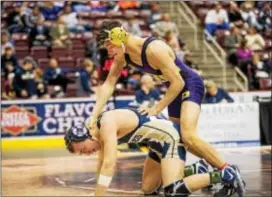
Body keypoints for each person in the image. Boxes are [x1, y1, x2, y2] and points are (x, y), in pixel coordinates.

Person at [90, 20, 245, 196]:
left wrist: (156, 108)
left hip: (189, 84)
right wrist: (94, 114)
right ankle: (198, 168)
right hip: (174, 88)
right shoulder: (123, 55)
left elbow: (178, 82)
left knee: (188, 136)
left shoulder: (153, 49)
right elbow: (109, 83)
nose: (108, 51)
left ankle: (229, 171)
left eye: (109, 45)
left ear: (119, 36)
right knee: (178, 138)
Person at [64, 108, 241, 197]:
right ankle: (196, 170)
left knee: (173, 191)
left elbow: (110, 163)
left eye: (83, 150)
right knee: (148, 189)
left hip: (170, 139)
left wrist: (99, 195)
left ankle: (225, 174)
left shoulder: (107, 124)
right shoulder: (99, 134)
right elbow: (101, 164)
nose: (87, 154)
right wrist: (97, 191)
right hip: (156, 144)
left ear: (85, 136)